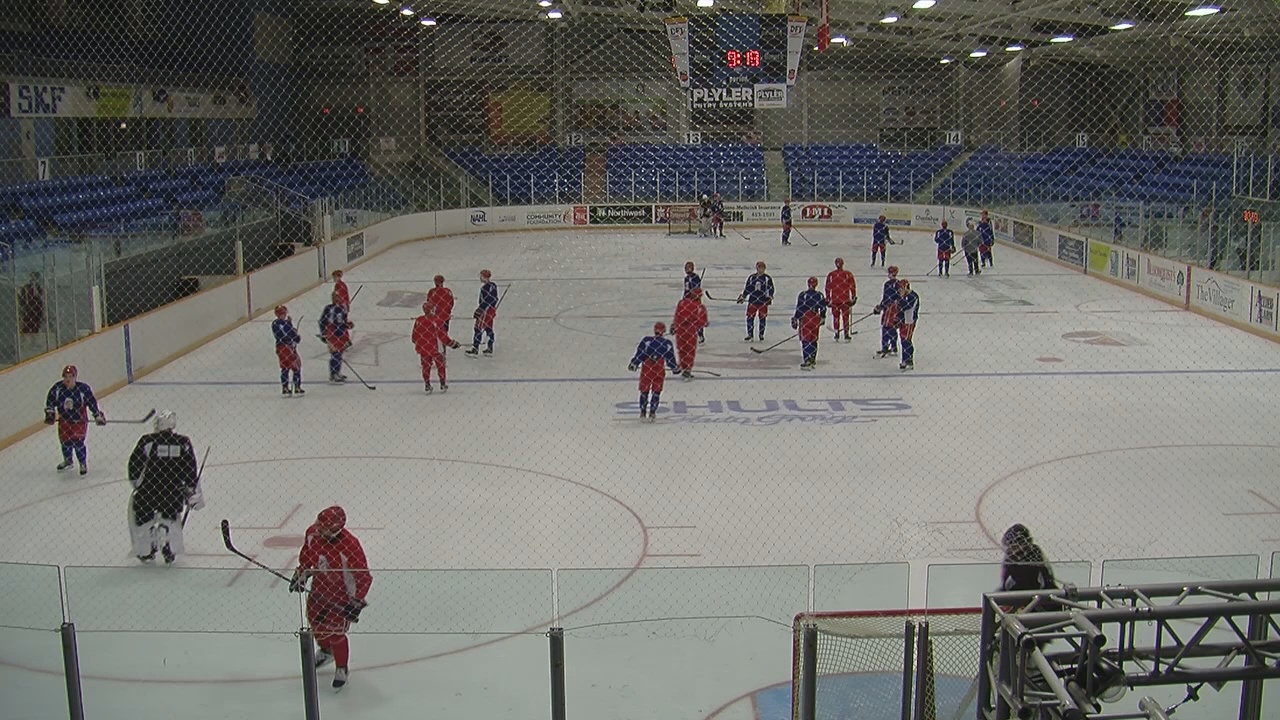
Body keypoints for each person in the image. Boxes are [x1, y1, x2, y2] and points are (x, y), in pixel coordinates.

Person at [290, 506, 372, 691]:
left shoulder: (350, 546)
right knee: (315, 622)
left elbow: (363, 577)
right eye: (319, 525)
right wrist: (301, 574)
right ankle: (327, 652)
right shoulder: (312, 533)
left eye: (323, 528)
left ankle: (341, 668)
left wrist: (356, 601)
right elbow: (307, 556)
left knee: (336, 632)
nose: (318, 530)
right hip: (321, 587)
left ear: (336, 529)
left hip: (342, 594)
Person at [127, 410, 200, 564]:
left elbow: (134, 464)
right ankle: (169, 544)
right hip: (172, 491)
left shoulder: (147, 441)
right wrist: (190, 488)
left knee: (143, 520)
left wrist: (136, 484)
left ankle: (146, 549)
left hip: (148, 490)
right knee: (171, 519)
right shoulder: (183, 442)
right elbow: (190, 468)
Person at [44, 365, 105, 475]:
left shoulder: (83, 389)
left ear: (75, 377)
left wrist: (97, 415)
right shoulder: (57, 388)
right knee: (65, 441)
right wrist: (50, 413)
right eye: (66, 376)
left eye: (71, 376)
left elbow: (91, 402)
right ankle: (68, 460)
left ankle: (82, 463)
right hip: (64, 420)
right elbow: (50, 401)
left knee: (78, 442)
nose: (68, 379)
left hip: (79, 420)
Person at [628, 322, 679, 422]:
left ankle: (643, 412)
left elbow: (640, 354)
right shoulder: (667, 343)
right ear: (664, 331)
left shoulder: (646, 341)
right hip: (659, 368)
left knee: (644, 390)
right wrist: (675, 368)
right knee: (656, 390)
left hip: (647, 367)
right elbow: (670, 359)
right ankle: (652, 412)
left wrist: (634, 363)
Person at [412, 301, 461, 393]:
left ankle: (427, 384)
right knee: (440, 365)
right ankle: (442, 384)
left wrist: (418, 343)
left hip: (423, 348)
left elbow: (414, 336)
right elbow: (443, 336)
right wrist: (452, 343)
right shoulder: (437, 320)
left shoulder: (419, 320)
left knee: (426, 366)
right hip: (436, 348)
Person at [1000, 523, 1056, 596]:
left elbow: (1047, 575)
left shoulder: (1035, 551)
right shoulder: (1010, 556)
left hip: (1036, 588)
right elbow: (1005, 578)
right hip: (1017, 588)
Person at [671, 287, 708, 380]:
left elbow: (677, 316)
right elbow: (702, 322)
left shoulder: (682, 303)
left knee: (681, 348)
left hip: (680, 329)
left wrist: (674, 326)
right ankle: (687, 369)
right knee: (690, 350)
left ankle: (682, 366)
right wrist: (704, 323)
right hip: (690, 330)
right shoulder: (700, 307)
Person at [792, 277, 828, 370]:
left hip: (805, 318)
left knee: (805, 340)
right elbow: (823, 308)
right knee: (813, 339)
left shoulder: (803, 295)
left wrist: (796, 318)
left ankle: (807, 359)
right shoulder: (819, 295)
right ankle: (812, 358)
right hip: (815, 318)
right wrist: (823, 317)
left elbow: (799, 307)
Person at [319, 292, 354, 383]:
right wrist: (324, 333)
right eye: (335, 297)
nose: (337, 298)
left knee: (340, 353)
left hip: (340, 333)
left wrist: (348, 325)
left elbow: (343, 322)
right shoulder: (329, 308)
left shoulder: (342, 308)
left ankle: (337, 372)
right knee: (335, 353)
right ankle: (333, 374)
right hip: (333, 333)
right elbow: (322, 321)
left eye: (338, 296)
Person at [737, 261, 775, 342]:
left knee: (762, 318)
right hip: (753, 301)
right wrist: (743, 296)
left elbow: (771, 289)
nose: (760, 269)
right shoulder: (752, 278)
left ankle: (761, 334)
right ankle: (750, 334)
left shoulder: (767, 278)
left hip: (763, 302)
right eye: (759, 267)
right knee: (750, 317)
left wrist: (770, 296)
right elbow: (747, 288)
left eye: (762, 268)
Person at [466, 269, 499, 356]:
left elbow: (488, 300)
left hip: (486, 311)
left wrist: (480, 309)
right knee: (488, 328)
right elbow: (495, 299)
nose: (480, 278)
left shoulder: (486, 287)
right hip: (491, 310)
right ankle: (489, 347)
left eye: (481, 276)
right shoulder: (493, 286)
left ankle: (475, 348)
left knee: (478, 328)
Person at [272, 305, 304, 396]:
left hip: (283, 347)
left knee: (286, 367)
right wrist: (293, 339)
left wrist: (295, 337)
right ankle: (295, 387)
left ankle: (287, 387)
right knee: (294, 366)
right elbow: (286, 335)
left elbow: (291, 334)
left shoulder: (283, 323)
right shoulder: (279, 324)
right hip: (286, 347)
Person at [825, 258, 857, 342]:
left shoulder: (831, 275)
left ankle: (836, 333)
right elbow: (852, 286)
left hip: (835, 300)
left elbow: (828, 287)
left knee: (836, 317)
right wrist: (853, 296)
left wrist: (828, 298)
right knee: (845, 317)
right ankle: (846, 333)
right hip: (845, 299)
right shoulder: (847, 274)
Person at [873, 267, 902, 358]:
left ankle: (887, 347)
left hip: (892, 308)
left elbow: (896, 297)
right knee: (889, 327)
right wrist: (881, 306)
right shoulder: (888, 284)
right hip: (887, 308)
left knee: (887, 327)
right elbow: (885, 297)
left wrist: (884, 305)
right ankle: (892, 347)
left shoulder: (897, 284)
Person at [895, 279, 920, 371]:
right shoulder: (902, 296)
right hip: (903, 321)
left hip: (909, 321)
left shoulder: (913, 296)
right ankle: (904, 359)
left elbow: (907, 307)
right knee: (903, 340)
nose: (899, 291)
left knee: (907, 340)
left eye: (901, 289)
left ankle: (909, 360)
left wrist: (901, 299)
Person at [682, 262, 705, 344]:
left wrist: (694, 292)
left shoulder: (696, 277)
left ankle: (700, 334)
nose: (687, 269)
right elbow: (686, 290)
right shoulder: (686, 279)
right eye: (686, 268)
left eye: (689, 268)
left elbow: (697, 288)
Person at [19, 272, 44, 336]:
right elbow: (22, 297)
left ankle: (33, 330)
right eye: (32, 278)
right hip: (29, 306)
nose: (33, 280)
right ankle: (28, 330)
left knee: (35, 320)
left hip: (36, 307)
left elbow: (40, 296)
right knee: (28, 319)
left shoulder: (39, 287)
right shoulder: (26, 287)